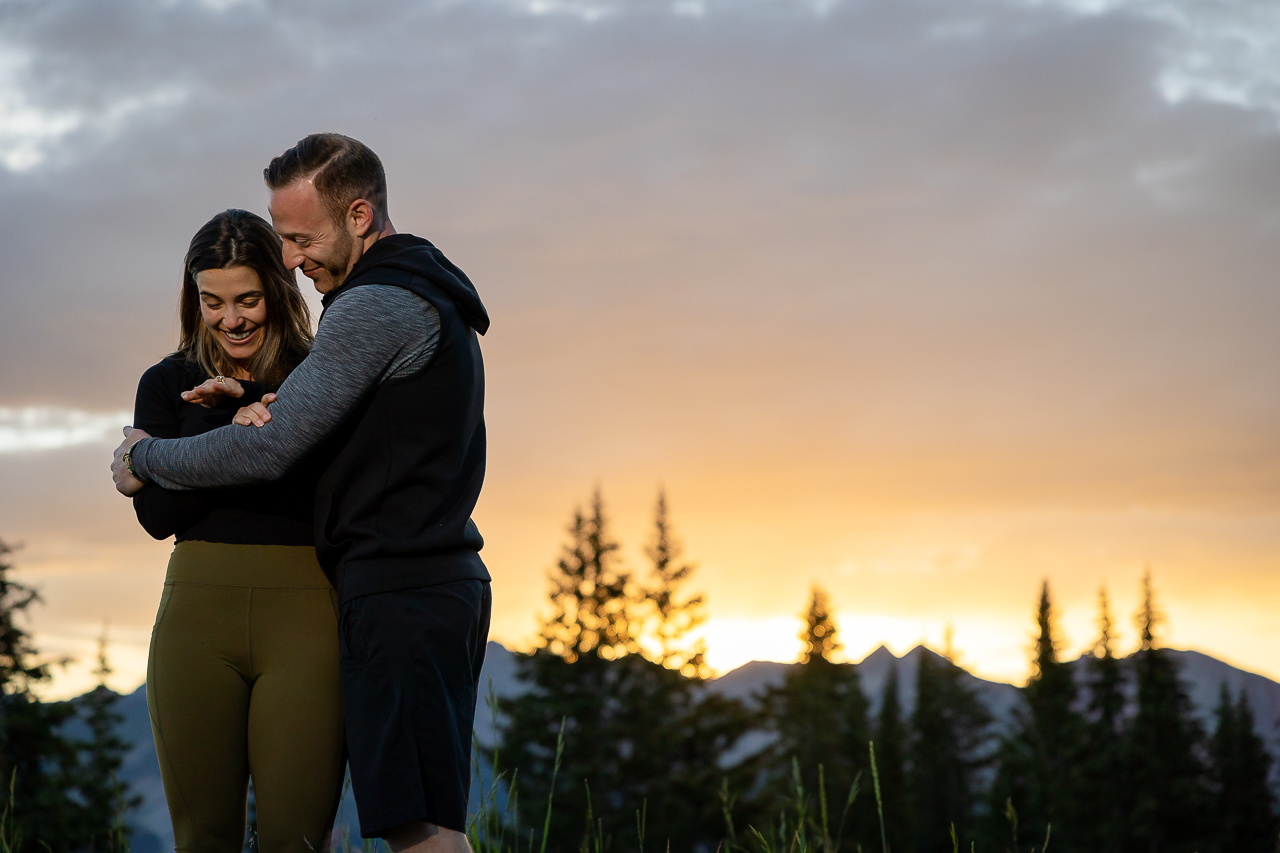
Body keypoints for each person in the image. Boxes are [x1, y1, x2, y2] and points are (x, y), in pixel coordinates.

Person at [111, 134, 492, 853]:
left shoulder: (373, 306)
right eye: (281, 239)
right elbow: (298, 439)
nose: (291, 257)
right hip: (406, 582)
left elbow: (277, 448)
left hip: (397, 585)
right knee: (420, 828)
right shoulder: (418, 291)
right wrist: (248, 401)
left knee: (420, 835)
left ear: (357, 215)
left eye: (297, 239)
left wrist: (147, 454)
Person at [130, 209, 345, 853]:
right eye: (212, 302)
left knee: (299, 840)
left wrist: (259, 419)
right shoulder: (167, 383)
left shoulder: (320, 377)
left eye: (247, 299)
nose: (231, 319)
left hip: (307, 622)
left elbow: (321, 498)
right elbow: (157, 517)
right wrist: (219, 419)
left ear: (279, 290)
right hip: (195, 623)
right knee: (203, 839)